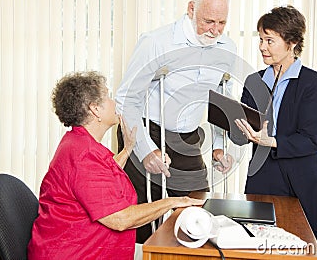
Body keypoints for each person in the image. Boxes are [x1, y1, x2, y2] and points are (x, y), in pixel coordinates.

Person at [27, 71, 204, 260]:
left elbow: (102, 176)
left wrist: (128, 149)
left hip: (85, 248)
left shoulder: (78, 142)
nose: (114, 102)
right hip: (75, 254)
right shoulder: (83, 155)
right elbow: (120, 219)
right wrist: (173, 202)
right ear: (95, 109)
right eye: (108, 97)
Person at [115, 0, 237, 243]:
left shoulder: (226, 48)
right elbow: (127, 99)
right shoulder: (156, 43)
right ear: (191, 9)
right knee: (144, 215)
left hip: (188, 136)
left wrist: (217, 146)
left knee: (197, 212)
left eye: (222, 23)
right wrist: (145, 150)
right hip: (147, 129)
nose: (215, 30)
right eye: (208, 21)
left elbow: (220, 102)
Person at [234, 5, 317, 246]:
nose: (262, 47)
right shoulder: (254, 81)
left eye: (270, 40)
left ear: (291, 43)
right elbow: (240, 134)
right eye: (260, 39)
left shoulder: (315, 83)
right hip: (263, 177)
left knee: (305, 250)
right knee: (258, 246)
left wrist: (272, 141)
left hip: (303, 180)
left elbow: (313, 138)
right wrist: (232, 125)